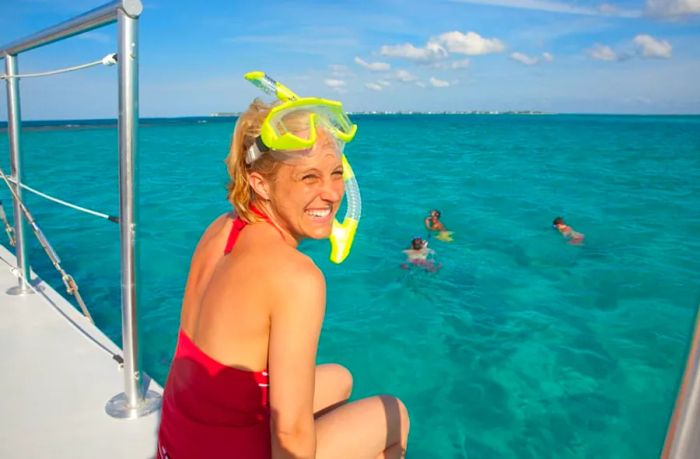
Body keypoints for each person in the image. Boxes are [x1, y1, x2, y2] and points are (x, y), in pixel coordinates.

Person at [157, 73, 409, 459]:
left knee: (340, 378)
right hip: (226, 449)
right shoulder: (296, 277)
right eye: (309, 177)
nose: (331, 193)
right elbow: (290, 433)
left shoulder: (222, 228)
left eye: (336, 172)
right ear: (260, 183)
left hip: (179, 442)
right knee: (394, 414)